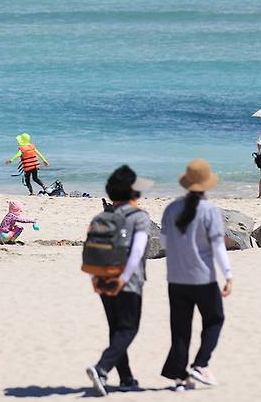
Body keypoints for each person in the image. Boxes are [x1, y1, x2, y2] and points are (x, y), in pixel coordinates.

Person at [160, 159, 233, 391]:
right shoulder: (210, 211)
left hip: (176, 278)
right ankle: (200, 365)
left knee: (180, 328)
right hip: (202, 278)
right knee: (215, 320)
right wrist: (228, 275)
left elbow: (164, 242)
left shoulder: (171, 209)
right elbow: (218, 246)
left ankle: (180, 379)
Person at [86, 165, 153, 397]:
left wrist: (96, 278)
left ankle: (125, 378)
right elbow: (136, 252)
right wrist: (123, 279)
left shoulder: (102, 217)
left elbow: (94, 250)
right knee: (129, 329)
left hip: (103, 279)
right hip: (128, 282)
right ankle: (102, 368)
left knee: (116, 329)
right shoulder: (139, 217)